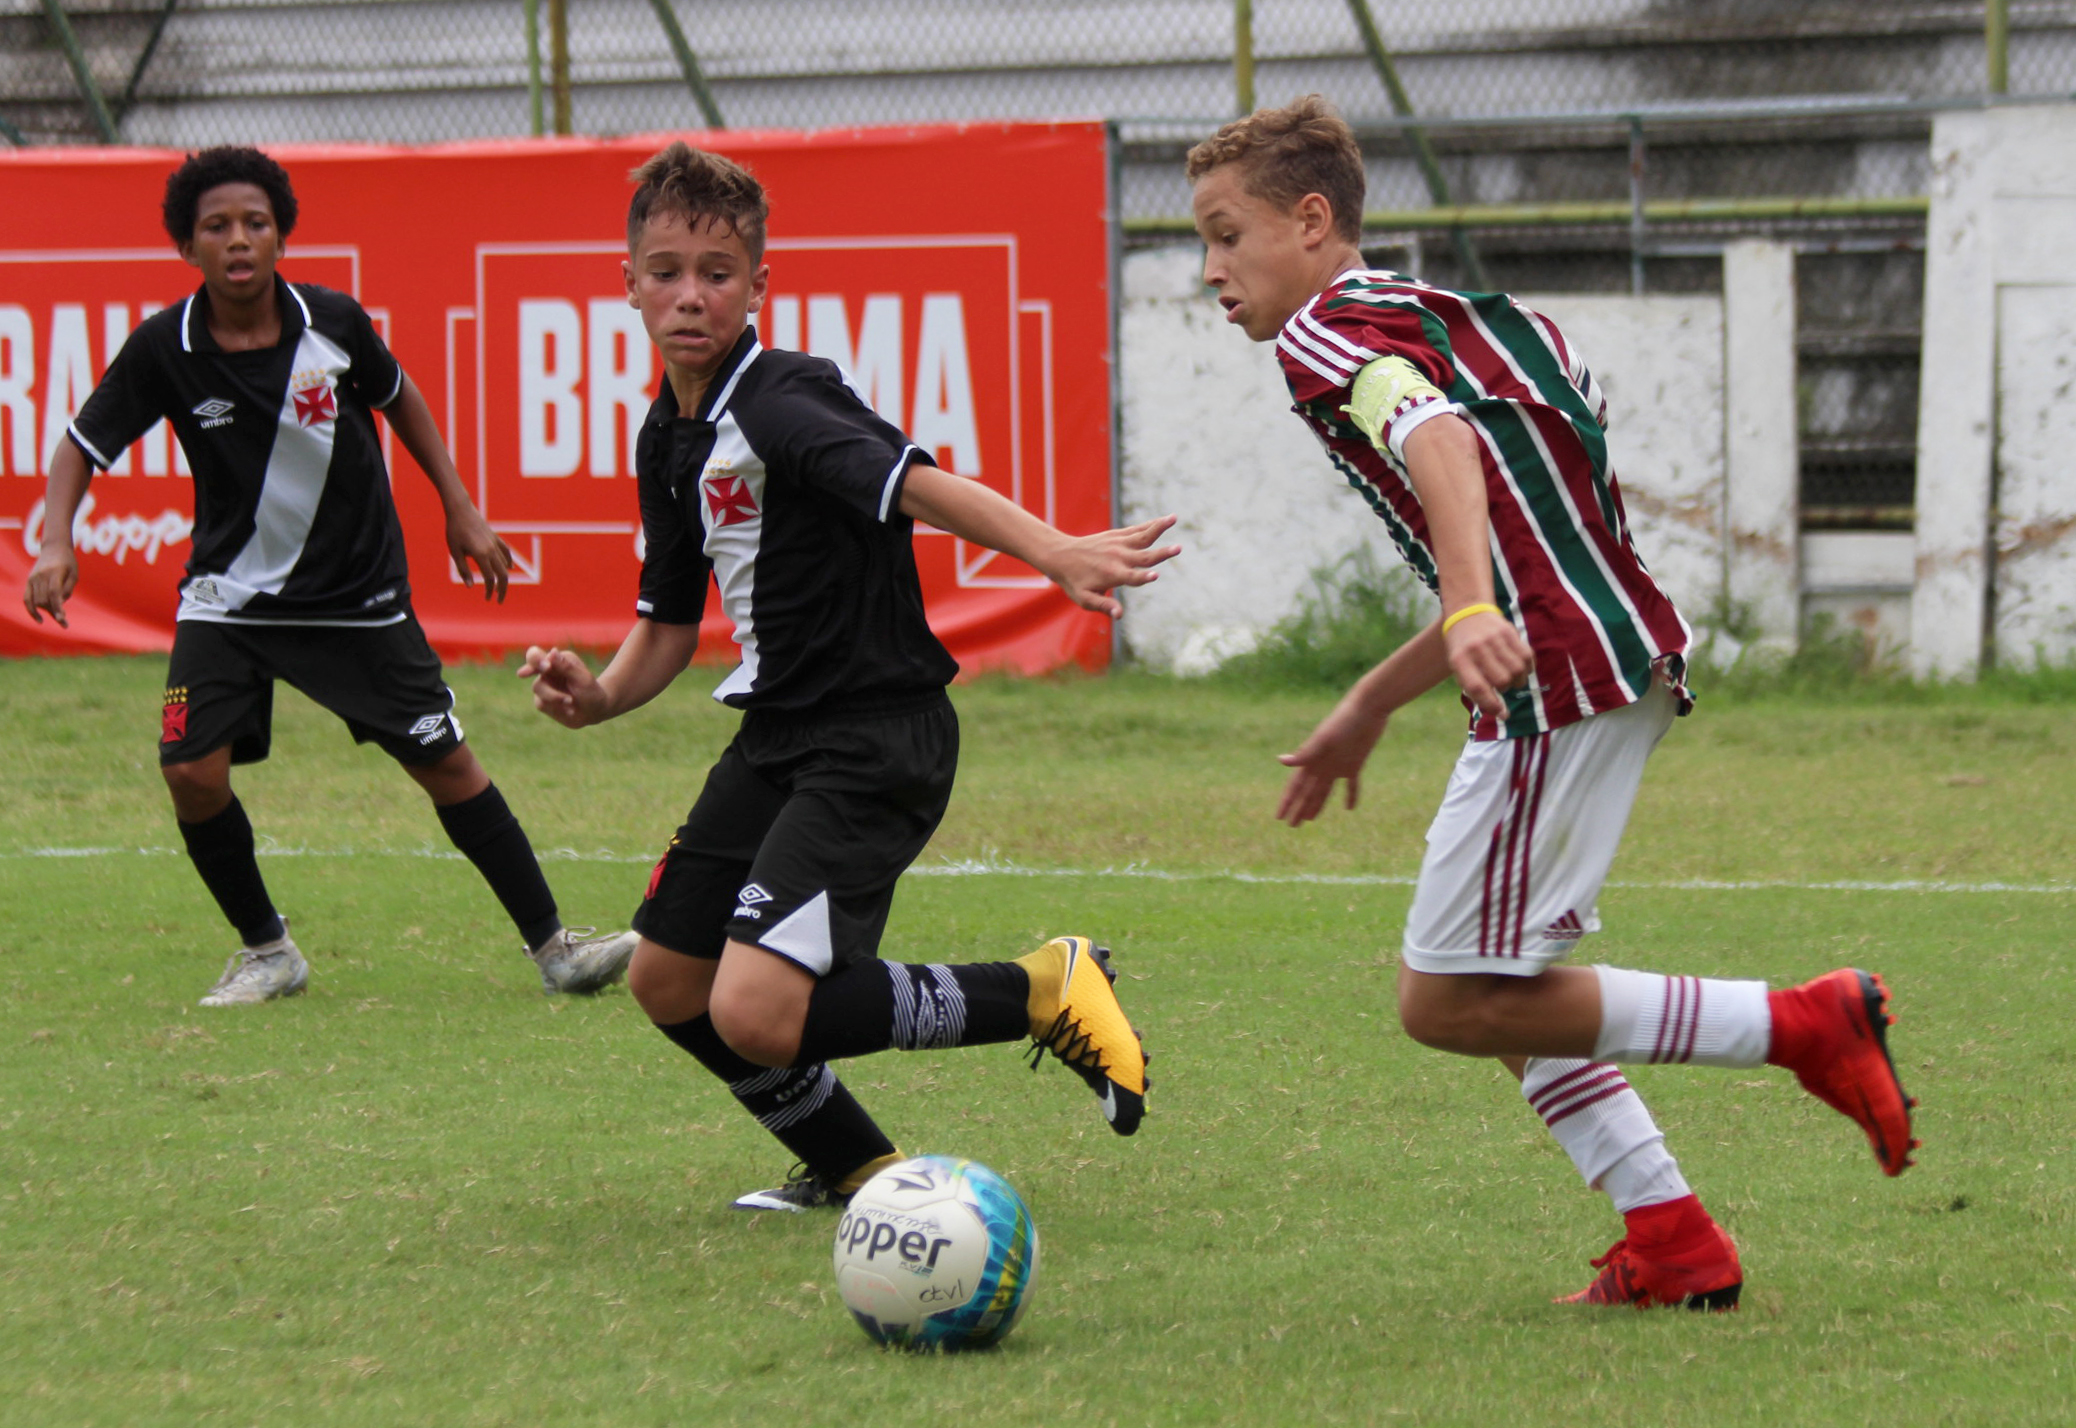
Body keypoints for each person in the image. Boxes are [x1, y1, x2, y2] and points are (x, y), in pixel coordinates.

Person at [1185, 96, 1918, 1309]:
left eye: (1227, 235)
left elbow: (1437, 445)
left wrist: (1472, 608)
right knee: (1501, 990)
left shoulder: (1323, 335)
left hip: (1556, 680)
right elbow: (1537, 530)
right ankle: (1675, 1240)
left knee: (1445, 999)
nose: (1212, 269)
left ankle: (1801, 1025)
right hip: (1601, 656)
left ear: (1312, 222)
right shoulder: (1469, 318)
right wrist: (1376, 698)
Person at [520, 141, 1178, 1211]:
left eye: (718, 273)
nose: (691, 295)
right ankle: (857, 1169)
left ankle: (1042, 989)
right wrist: (595, 697)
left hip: (872, 739)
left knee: (754, 1011)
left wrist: (1054, 551)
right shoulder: (669, 433)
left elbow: (915, 483)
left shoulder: (780, 397)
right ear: (627, 282)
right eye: (666, 271)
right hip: (776, 740)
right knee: (669, 978)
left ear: (758, 286)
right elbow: (670, 626)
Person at [22, 146, 636, 1005]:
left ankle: (556, 949)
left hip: (358, 601)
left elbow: (400, 397)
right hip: (229, 601)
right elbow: (80, 445)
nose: (239, 239)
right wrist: (55, 542)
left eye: (256, 223)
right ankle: (268, 952)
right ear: (187, 247)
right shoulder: (166, 346)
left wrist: (460, 507)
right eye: (216, 227)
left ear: (282, 237)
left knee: (447, 766)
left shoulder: (334, 323)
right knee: (189, 769)